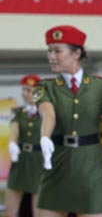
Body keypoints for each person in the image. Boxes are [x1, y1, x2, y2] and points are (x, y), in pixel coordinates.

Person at [33, 25, 102, 216]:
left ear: (76, 53)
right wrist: (45, 136)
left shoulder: (100, 86)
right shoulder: (45, 87)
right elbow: (48, 114)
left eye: (57, 50)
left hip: (92, 167)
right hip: (57, 164)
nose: (51, 56)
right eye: (49, 50)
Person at [6, 75, 43, 217]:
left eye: (29, 90)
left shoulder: (46, 113)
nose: (25, 93)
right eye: (24, 89)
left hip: (39, 161)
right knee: (10, 210)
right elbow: (14, 129)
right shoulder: (18, 112)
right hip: (20, 160)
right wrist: (12, 143)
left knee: (38, 211)